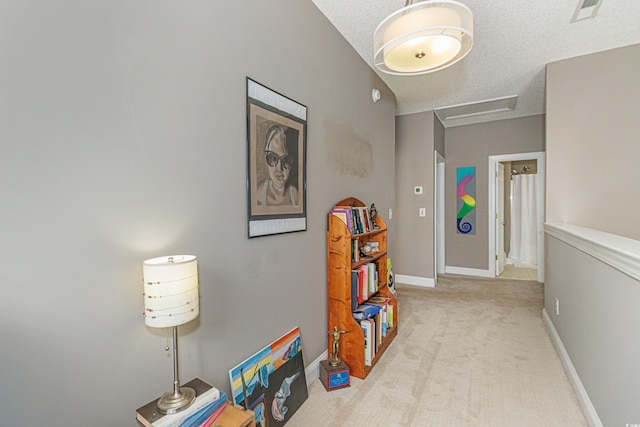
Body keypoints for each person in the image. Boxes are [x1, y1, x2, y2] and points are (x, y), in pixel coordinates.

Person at [257, 125, 298, 206]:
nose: (279, 169)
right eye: (273, 158)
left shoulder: (295, 194)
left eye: (285, 160)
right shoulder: (259, 192)